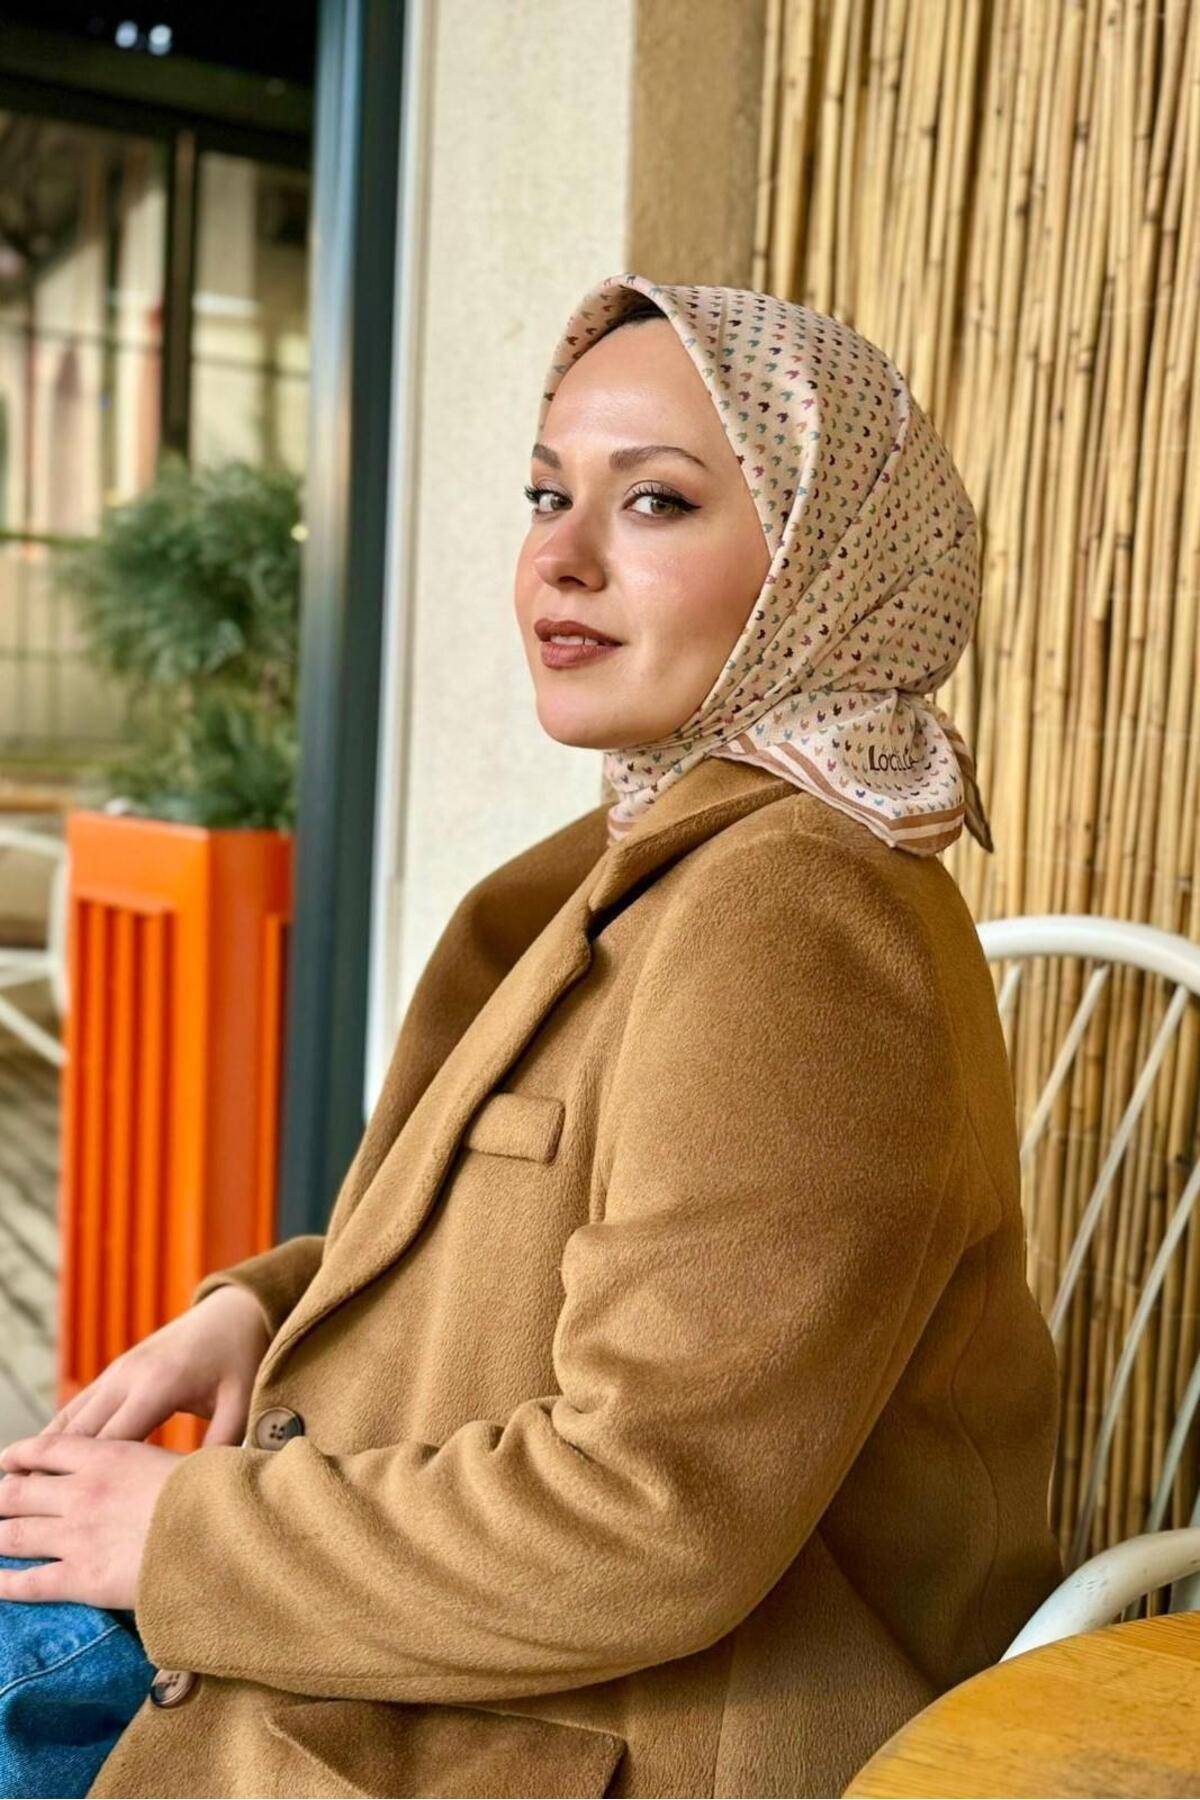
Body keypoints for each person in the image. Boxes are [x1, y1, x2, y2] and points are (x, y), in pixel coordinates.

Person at [0, 273, 1063, 1799]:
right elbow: (557, 1253)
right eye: (549, 493)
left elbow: (652, 1508)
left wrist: (183, 1534)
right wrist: (269, 1308)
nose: (560, 557)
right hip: (423, 1662)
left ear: (821, 564)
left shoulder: (796, 923)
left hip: (583, 1738)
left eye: (657, 502)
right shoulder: (667, 854)